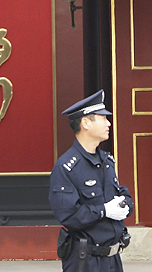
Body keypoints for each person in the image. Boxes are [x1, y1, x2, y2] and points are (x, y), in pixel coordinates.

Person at [49, 89, 133, 272]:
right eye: (103, 118)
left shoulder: (106, 162)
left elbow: (121, 193)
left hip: (113, 259)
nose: (108, 123)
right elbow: (69, 215)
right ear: (85, 122)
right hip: (85, 261)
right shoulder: (67, 167)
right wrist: (103, 211)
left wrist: (124, 204)